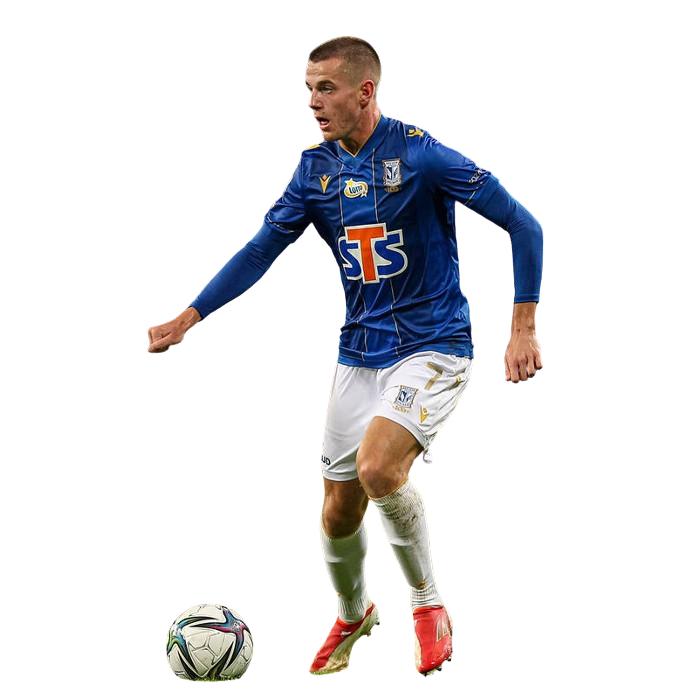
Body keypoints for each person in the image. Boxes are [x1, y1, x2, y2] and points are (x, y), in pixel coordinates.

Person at [147, 36, 543, 676]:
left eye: (325, 88)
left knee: (379, 468)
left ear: (365, 92)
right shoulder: (316, 170)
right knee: (337, 509)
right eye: (308, 90)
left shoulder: (420, 154)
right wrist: (189, 317)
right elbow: (261, 250)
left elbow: (525, 224)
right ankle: (355, 613)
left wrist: (522, 326)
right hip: (359, 352)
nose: (312, 102)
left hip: (433, 345)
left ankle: (428, 604)